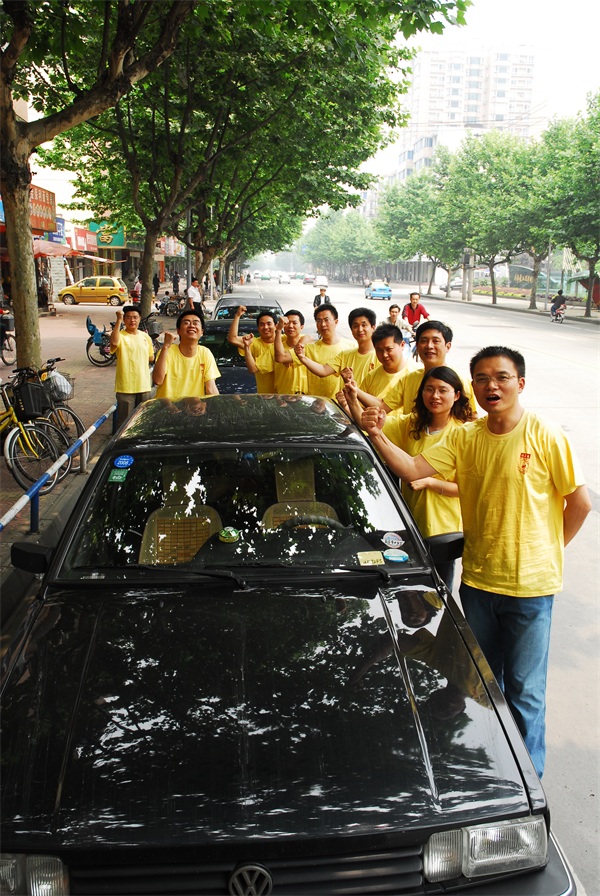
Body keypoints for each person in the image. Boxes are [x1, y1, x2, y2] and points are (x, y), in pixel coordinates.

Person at [361, 346, 591, 777]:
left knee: (525, 690)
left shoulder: (544, 433)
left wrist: (550, 550)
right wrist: (376, 434)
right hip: (480, 585)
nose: (491, 386)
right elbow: (412, 469)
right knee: (485, 683)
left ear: (519, 383)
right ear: (474, 387)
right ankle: (494, 769)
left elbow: (578, 503)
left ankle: (529, 778)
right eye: (482, 378)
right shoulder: (465, 438)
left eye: (501, 377)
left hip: (531, 589)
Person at [359, 321, 476, 417]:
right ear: (417, 346)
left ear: (447, 346)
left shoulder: (460, 381)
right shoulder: (409, 379)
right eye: (424, 341)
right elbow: (383, 406)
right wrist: (354, 391)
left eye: (435, 341)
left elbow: (471, 420)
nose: (429, 346)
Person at [295, 307, 379, 388]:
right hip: (345, 402)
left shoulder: (380, 356)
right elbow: (323, 371)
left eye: (364, 325)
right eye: (355, 326)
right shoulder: (345, 355)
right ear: (351, 330)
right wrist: (302, 357)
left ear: (373, 327)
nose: (360, 329)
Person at [340, 324, 413, 417]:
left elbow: (383, 407)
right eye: (379, 350)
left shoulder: (414, 374)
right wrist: (346, 405)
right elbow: (361, 413)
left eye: (389, 349)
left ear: (402, 345)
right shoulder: (371, 376)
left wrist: (356, 390)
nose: (384, 355)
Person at [153, 309, 220, 400]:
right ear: (178, 331)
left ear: (202, 332)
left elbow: (211, 388)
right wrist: (165, 346)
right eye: (186, 323)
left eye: (196, 323)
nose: (192, 325)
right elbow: (158, 380)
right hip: (167, 409)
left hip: (193, 409)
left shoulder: (205, 353)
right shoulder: (167, 351)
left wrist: (216, 406)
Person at [109, 305, 155, 427]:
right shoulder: (120, 336)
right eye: (128, 317)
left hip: (144, 386)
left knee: (143, 421)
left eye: (135, 317)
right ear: (124, 320)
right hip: (125, 387)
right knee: (125, 423)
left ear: (140, 319)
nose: (132, 320)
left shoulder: (145, 337)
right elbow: (113, 343)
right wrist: (118, 320)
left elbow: (151, 358)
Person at [245, 310, 311, 394]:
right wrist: (246, 346)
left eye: (294, 323)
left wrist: (299, 346)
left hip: (307, 399)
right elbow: (253, 368)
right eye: (287, 323)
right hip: (283, 400)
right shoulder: (275, 349)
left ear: (301, 327)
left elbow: (309, 337)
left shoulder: (308, 345)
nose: (290, 326)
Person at [303, 304, 355, 399]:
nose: (323, 324)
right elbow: (281, 357)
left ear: (336, 322)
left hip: (342, 407)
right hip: (315, 404)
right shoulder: (309, 349)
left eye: (327, 320)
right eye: (319, 321)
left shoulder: (351, 347)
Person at [228, 306, 277, 393]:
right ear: (258, 328)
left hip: (284, 395)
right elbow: (232, 338)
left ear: (276, 326)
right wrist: (238, 315)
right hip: (264, 396)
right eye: (261, 324)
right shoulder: (253, 343)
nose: (265, 327)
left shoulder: (283, 341)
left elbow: (304, 339)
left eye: (269, 324)